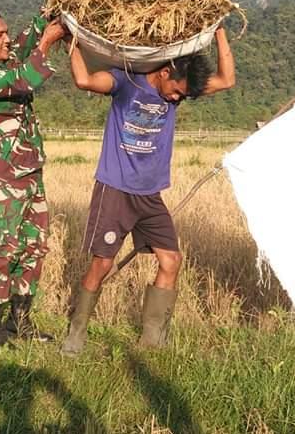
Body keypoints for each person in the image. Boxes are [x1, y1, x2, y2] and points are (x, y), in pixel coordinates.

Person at [61, 27, 236, 356]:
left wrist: (221, 31)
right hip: (115, 189)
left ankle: (152, 339)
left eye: (181, 97)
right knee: (102, 263)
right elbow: (85, 81)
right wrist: (71, 43)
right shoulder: (126, 83)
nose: (175, 99)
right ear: (166, 71)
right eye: (175, 92)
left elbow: (227, 80)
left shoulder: (177, 92)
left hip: (151, 195)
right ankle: (76, 334)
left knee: (171, 261)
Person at [0, 9, 65, 350]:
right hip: (5, 176)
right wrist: (47, 43)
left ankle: (19, 323)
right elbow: (24, 78)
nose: (7, 39)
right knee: (4, 251)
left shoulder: (4, 61)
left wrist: (45, 19)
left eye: (7, 32)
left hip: (31, 172)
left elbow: (25, 45)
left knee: (34, 248)